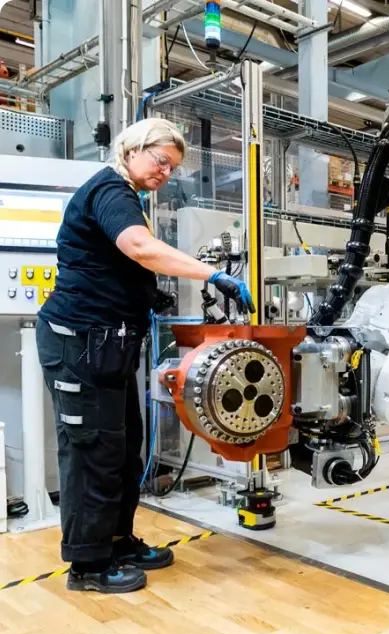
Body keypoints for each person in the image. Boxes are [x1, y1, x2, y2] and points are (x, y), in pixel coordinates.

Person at [36, 118, 255, 594]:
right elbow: (138, 246)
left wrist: (144, 296)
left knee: (122, 447)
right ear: (134, 148)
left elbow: (117, 261)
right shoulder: (110, 190)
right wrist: (212, 275)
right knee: (92, 452)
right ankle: (88, 566)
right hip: (79, 343)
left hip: (107, 346)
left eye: (172, 168)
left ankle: (117, 540)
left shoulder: (126, 196)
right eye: (161, 161)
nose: (165, 173)